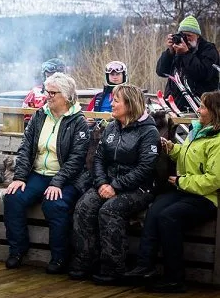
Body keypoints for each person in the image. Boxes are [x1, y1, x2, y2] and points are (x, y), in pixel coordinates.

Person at [125, 90, 220, 293]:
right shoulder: (198, 131)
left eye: (203, 107)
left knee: (169, 216)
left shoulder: (217, 141)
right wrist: (172, 148)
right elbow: (189, 157)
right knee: (155, 208)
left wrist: (181, 181)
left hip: (206, 198)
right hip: (185, 190)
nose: (198, 110)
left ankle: (175, 278)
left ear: (215, 112)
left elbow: (214, 180)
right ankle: (145, 266)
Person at [69, 84, 160, 284]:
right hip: (107, 183)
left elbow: (145, 168)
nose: (112, 103)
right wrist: (102, 183)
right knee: (84, 205)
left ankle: (113, 267)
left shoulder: (148, 132)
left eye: (116, 100)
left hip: (139, 188)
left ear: (130, 104)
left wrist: (116, 186)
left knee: (110, 210)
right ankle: (86, 260)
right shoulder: (111, 127)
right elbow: (99, 158)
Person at [3, 73, 89, 274]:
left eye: (52, 93)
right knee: (13, 197)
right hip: (38, 174)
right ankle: (17, 249)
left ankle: (59, 256)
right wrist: (20, 177)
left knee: (55, 204)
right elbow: (26, 148)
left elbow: (76, 159)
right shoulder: (39, 116)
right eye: (46, 91)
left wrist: (57, 182)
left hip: (66, 178)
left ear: (66, 96)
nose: (47, 96)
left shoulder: (78, 122)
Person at [156, 15, 219, 112]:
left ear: (197, 35)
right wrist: (170, 52)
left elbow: (202, 74)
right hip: (175, 105)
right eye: (183, 35)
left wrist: (186, 54)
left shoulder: (209, 50)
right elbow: (161, 71)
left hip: (200, 107)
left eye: (189, 35)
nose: (185, 39)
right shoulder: (177, 49)